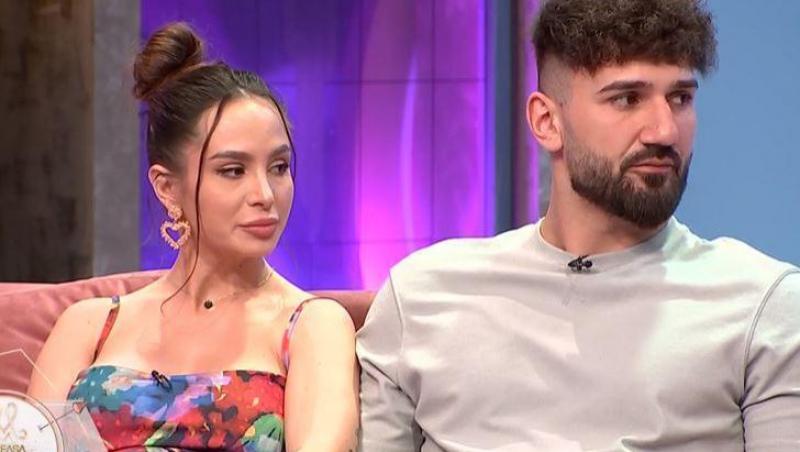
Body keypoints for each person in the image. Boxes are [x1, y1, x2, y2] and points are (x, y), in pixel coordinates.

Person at [356, 0, 800, 450]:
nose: (664, 131)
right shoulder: (422, 297)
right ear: (547, 122)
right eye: (627, 99)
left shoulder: (763, 307)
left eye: (680, 98)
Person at [29, 22, 358, 451]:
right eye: (233, 171)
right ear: (167, 187)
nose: (264, 194)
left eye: (279, 167)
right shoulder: (87, 326)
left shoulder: (313, 326)